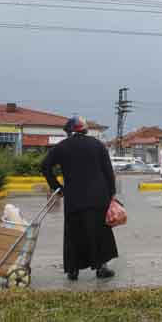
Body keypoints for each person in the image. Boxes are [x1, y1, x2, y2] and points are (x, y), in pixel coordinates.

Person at [41, 116, 119, 281]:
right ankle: (101, 268)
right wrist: (111, 193)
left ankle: (73, 270)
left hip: (74, 198)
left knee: (74, 234)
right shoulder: (98, 145)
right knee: (99, 233)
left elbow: (45, 166)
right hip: (98, 198)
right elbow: (108, 172)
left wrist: (57, 187)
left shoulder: (62, 147)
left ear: (70, 131)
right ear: (84, 129)